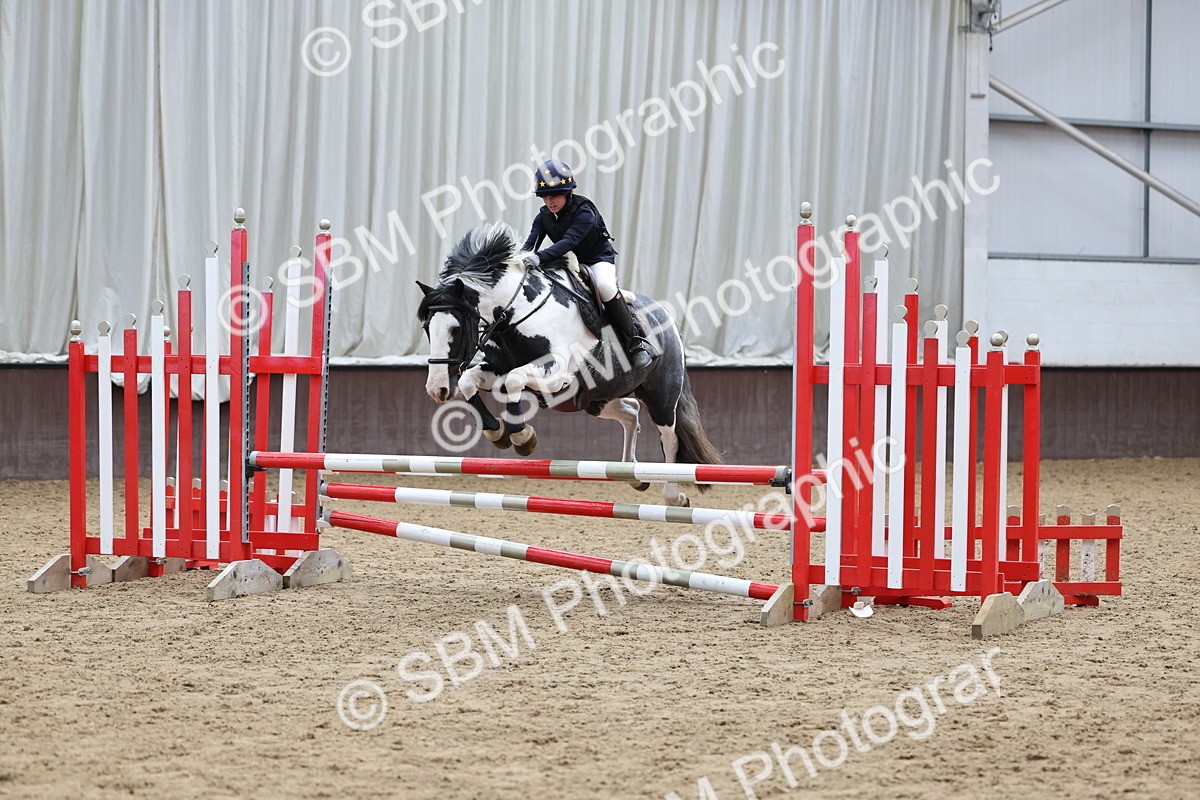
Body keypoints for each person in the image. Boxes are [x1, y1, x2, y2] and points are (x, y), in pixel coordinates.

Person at [520, 160, 654, 370]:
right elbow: (530, 243)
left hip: (597, 259)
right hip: (568, 260)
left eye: (554, 195)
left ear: (568, 193)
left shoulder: (585, 212)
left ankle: (637, 342)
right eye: (545, 196)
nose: (549, 201)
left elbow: (568, 242)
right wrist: (519, 259)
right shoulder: (543, 215)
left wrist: (540, 257)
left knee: (604, 286)